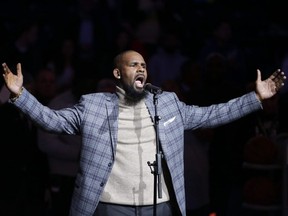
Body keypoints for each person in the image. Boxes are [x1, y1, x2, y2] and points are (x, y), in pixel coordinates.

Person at [1, 50, 286, 216]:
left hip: (158, 207)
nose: (141, 68)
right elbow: (52, 122)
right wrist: (21, 95)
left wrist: (255, 98)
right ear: (117, 74)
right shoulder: (94, 105)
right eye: (133, 64)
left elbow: (213, 114)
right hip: (110, 207)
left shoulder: (168, 103)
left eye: (144, 65)